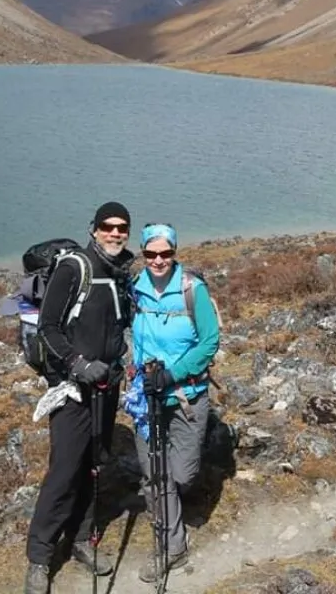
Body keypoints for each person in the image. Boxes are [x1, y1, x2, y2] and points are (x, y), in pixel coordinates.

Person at [25, 201, 135, 594]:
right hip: (73, 389)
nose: (115, 233)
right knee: (65, 469)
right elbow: (48, 328)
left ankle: (82, 539)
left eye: (122, 227)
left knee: (94, 464)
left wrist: (124, 362)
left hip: (107, 386)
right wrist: (77, 363)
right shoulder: (76, 268)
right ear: (94, 229)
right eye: (108, 226)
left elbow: (122, 326)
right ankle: (39, 558)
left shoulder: (121, 274)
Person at [127, 223, 220, 583]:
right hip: (145, 398)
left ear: (175, 253)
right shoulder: (134, 290)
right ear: (143, 254)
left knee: (182, 473)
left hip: (186, 397)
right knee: (154, 475)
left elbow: (209, 342)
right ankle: (172, 547)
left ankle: (174, 512)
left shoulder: (191, 290)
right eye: (151, 254)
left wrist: (173, 373)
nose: (158, 260)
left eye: (165, 253)